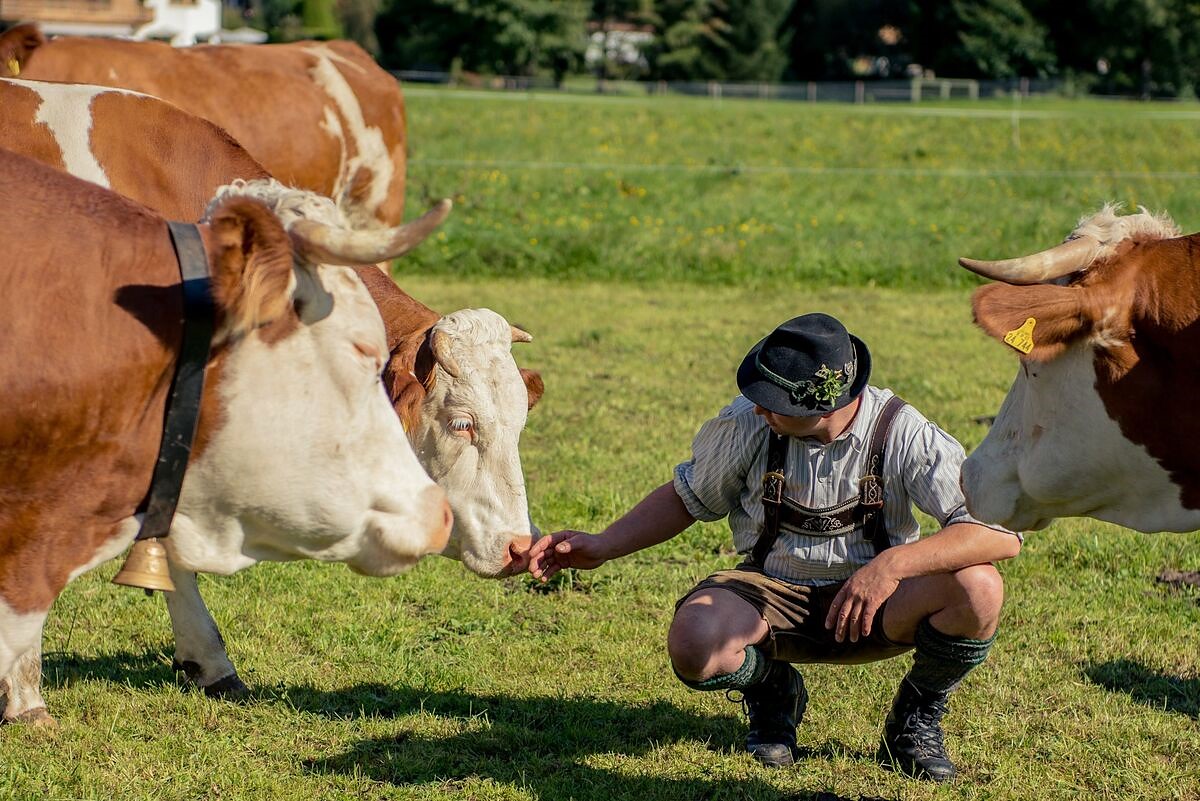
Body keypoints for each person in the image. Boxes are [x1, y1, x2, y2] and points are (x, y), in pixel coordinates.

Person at [528, 313, 1021, 782]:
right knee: (694, 641)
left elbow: (997, 532)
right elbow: (689, 496)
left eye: (774, 402)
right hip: (768, 592)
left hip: (878, 604)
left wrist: (892, 565)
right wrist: (605, 544)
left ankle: (915, 722)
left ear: (822, 405)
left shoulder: (902, 430)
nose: (760, 408)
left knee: (978, 587)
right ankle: (772, 692)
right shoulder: (749, 422)